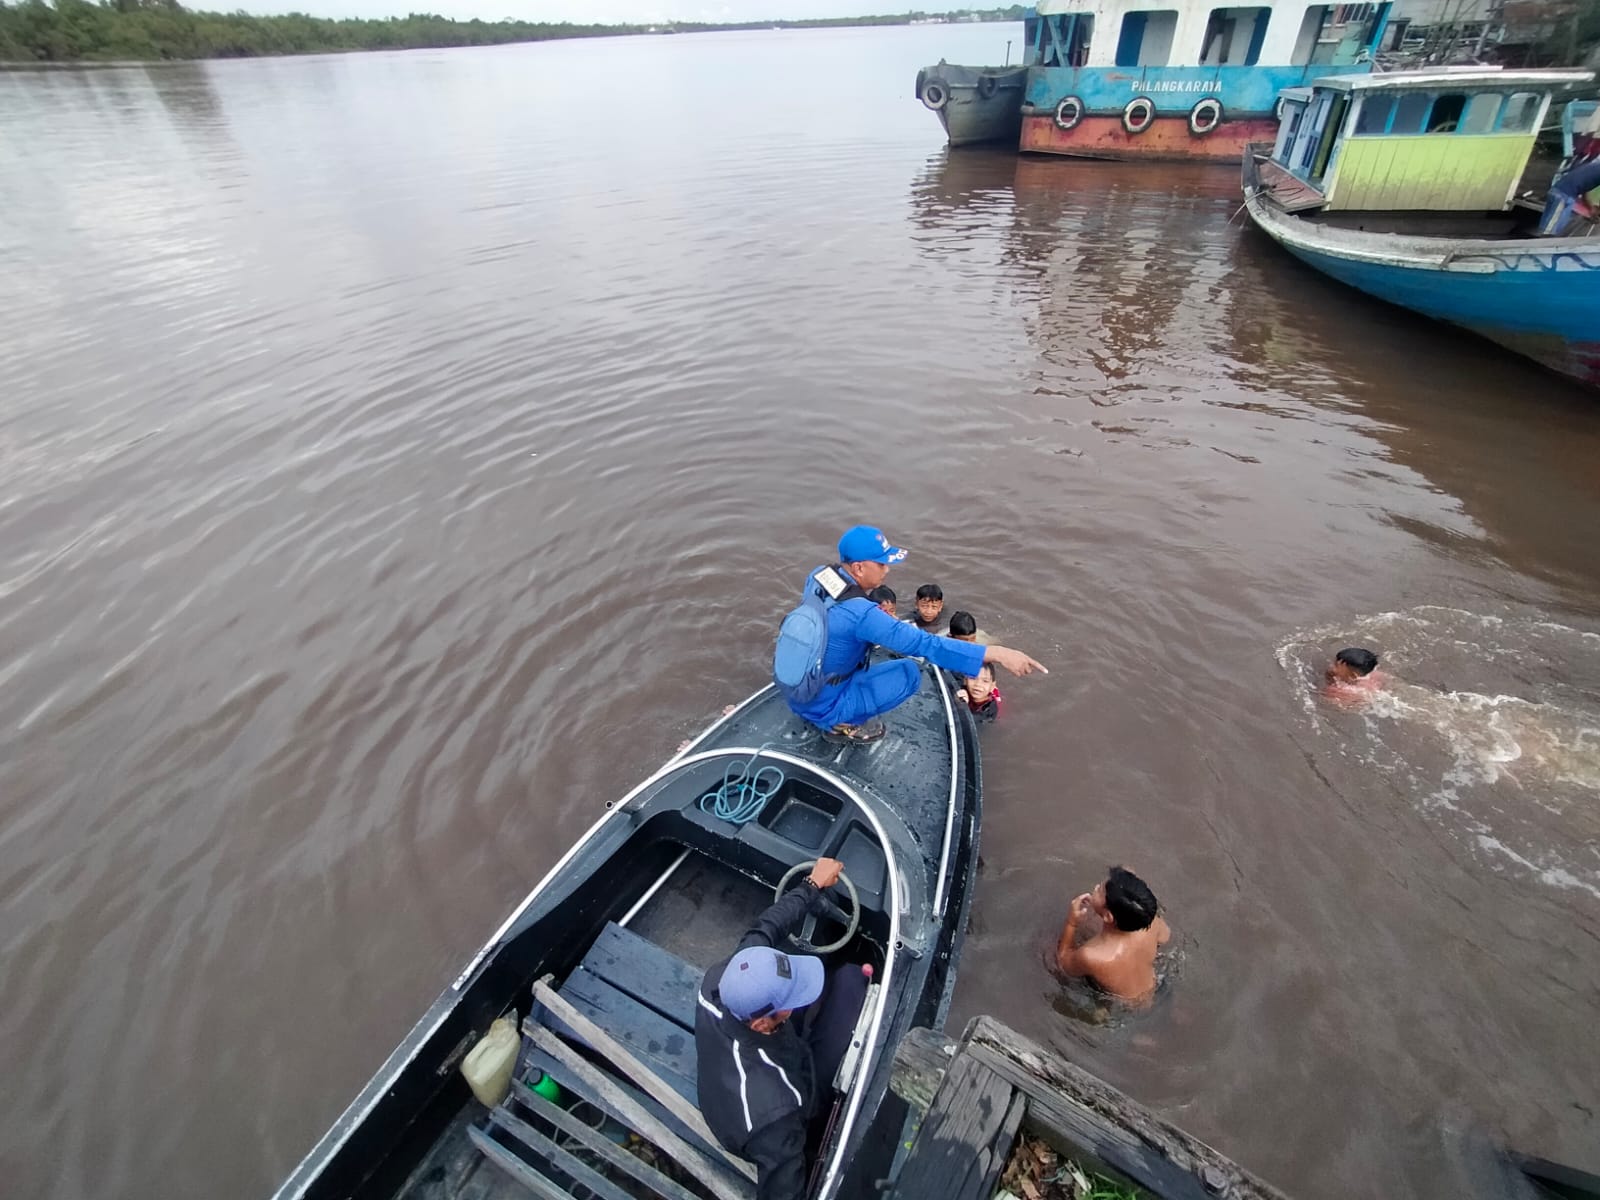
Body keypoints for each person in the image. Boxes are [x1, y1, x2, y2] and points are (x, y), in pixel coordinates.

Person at [695, 858, 868, 1200]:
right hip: (756, 1120)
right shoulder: (777, 1117)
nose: (797, 1002)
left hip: (727, 1074)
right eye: (789, 1002)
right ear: (761, 1023)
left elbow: (764, 929)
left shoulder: (722, 978)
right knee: (850, 982)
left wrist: (812, 886)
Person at [780, 526, 1046, 743]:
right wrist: (999, 653)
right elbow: (926, 644)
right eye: (881, 564)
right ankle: (837, 723)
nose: (887, 569)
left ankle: (826, 705)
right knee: (909, 673)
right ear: (859, 568)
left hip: (798, 685)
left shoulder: (819, 575)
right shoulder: (863, 614)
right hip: (822, 704)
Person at [1055, 866, 1170, 1003]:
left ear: (1108, 917)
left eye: (1100, 890)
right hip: (1155, 986)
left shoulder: (1091, 956)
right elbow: (1165, 937)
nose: (1097, 886)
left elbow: (1064, 964)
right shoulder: (1153, 924)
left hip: (1122, 1005)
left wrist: (1071, 923)